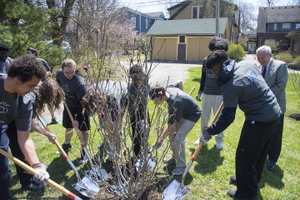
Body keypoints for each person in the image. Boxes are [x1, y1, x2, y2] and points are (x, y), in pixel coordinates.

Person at [202, 50, 281, 199]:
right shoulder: (245, 64)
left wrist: (210, 130)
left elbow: (228, 117)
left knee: (244, 158)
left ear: (222, 64)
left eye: (215, 70)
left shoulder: (230, 85)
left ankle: (247, 194)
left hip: (259, 119)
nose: (215, 75)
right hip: (274, 113)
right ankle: (249, 181)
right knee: (258, 154)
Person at [0, 55, 49, 199]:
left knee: (3, 174)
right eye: (31, 85)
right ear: (18, 77)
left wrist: (37, 165)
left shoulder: (25, 100)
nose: (33, 90)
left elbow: (24, 137)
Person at [7, 79, 63, 191]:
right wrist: (48, 134)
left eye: (54, 96)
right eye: (51, 96)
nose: (53, 99)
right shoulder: (33, 99)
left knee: (22, 150)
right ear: (46, 93)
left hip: (15, 119)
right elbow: (32, 125)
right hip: (11, 122)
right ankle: (27, 181)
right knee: (20, 152)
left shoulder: (37, 97)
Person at [150, 84, 202, 175]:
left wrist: (160, 140)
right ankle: (174, 158)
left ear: (161, 96)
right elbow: (180, 82)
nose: (155, 104)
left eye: (156, 101)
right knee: (171, 135)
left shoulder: (174, 104)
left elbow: (170, 126)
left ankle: (181, 166)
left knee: (178, 137)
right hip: (182, 111)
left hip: (193, 114)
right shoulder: (167, 89)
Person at [256, 46, 288, 170]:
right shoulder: (258, 67)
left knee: (275, 134)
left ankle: (273, 159)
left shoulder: (281, 66)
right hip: (261, 107)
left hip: (276, 106)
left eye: (262, 58)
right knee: (262, 133)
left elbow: (280, 85)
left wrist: (264, 95)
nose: (260, 60)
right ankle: (262, 157)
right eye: (258, 58)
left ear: (270, 55)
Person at [194, 37, 229, 149]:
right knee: (205, 116)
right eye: (215, 49)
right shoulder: (206, 60)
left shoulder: (225, 61)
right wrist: (200, 91)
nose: (216, 52)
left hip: (220, 93)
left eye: (219, 49)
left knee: (218, 117)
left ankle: (219, 138)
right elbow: (203, 77)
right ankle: (204, 137)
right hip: (207, 92)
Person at [82, 80, 127, 162]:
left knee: (115, 130)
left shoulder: (113, 100)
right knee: (105, 124)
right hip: (105, 97)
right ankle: (107, 141)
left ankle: (114, 154)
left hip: (123, 94)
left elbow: (117, 124)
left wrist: (113, 142)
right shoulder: (90, 92)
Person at [56, 58, 90, 164]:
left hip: (81, 107)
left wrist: (78, 118)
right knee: (68, 127)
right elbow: (58, 84)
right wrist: (59, 91)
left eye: (72, 72)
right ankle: (67, 144)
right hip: (68, 105)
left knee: (83, 130)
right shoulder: (60, 74)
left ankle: (84, 153)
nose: (69, 75)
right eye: (67, 73)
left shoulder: (80, 83)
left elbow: (83, 103)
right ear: (62, 70)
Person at [26, 47, 60, 124]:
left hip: (44, 85)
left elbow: (49, 71)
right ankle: (37, 120)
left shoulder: (41, 61)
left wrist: (42, 74)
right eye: (27, 53)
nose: (27, 54)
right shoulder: (28, 63)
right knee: (38, 102)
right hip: (35, 87)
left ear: (34, 53)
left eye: (29, 53)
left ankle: (53, 117)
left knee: (50, 101)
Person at [128, 65, 150, 158]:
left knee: (147, 127)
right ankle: (137, 154)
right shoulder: (131, 88)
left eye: (137, 79)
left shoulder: (144, 80)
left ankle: (145, 146)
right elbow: (131, 107)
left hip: (144, 108)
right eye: (133, 79)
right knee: (136, 133)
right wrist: (135, 118)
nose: (135, 81)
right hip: (134, 111)